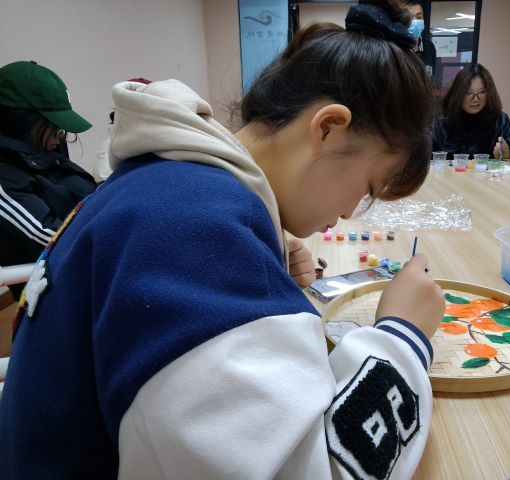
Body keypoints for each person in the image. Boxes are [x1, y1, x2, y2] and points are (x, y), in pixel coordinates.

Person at [0, 1, 445, 478]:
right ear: (328, 129)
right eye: (368, 187)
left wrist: (262, 257)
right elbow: (309, 469)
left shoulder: (172, 185)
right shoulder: (192, 234)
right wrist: (402, 335)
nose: (350, 211)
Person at [0, 60, 97, 300]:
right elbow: (51, 239)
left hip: (90, 272)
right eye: (55, 128)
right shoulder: (7, 175)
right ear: (22, 123)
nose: (61, 137)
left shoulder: (43, 152)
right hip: (61, 294)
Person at [432, 63, 510, 159]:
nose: (475, 99)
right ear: (458, 93)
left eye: (482, 92)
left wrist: (507, 155)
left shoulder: (500, 120)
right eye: (468, 93)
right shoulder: (441, 120)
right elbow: (425, 158)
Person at [406, 0, 436, 72]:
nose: (415, 21)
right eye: (410, 18)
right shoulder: (396, 48)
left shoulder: (429, 47)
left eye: (419, 17)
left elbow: (432, 74)